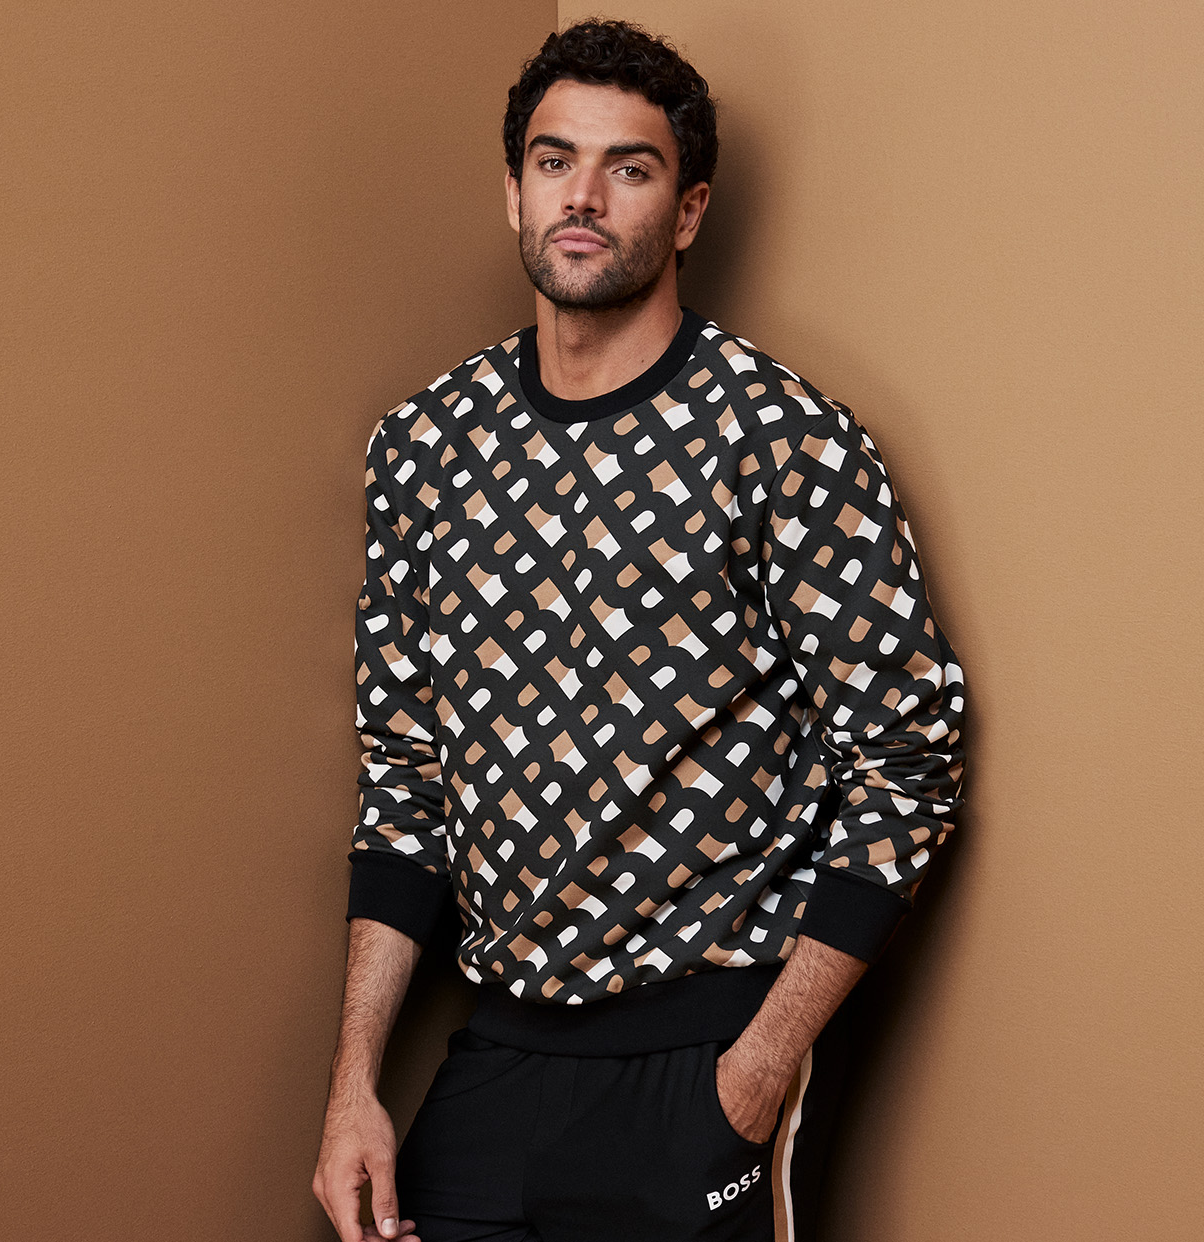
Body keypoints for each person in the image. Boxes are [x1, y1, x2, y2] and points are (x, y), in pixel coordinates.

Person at [311, 19, 968, 1242]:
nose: (584, 196)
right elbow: (404, 782)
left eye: (630, 167)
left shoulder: (786, 440)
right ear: (514, 192)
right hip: (498, 1049)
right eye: (555, 161)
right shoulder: (425, 447)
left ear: (689, 210)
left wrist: (758, 1070)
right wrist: (353, 1086)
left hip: (704, 1057)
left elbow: (908, 763)